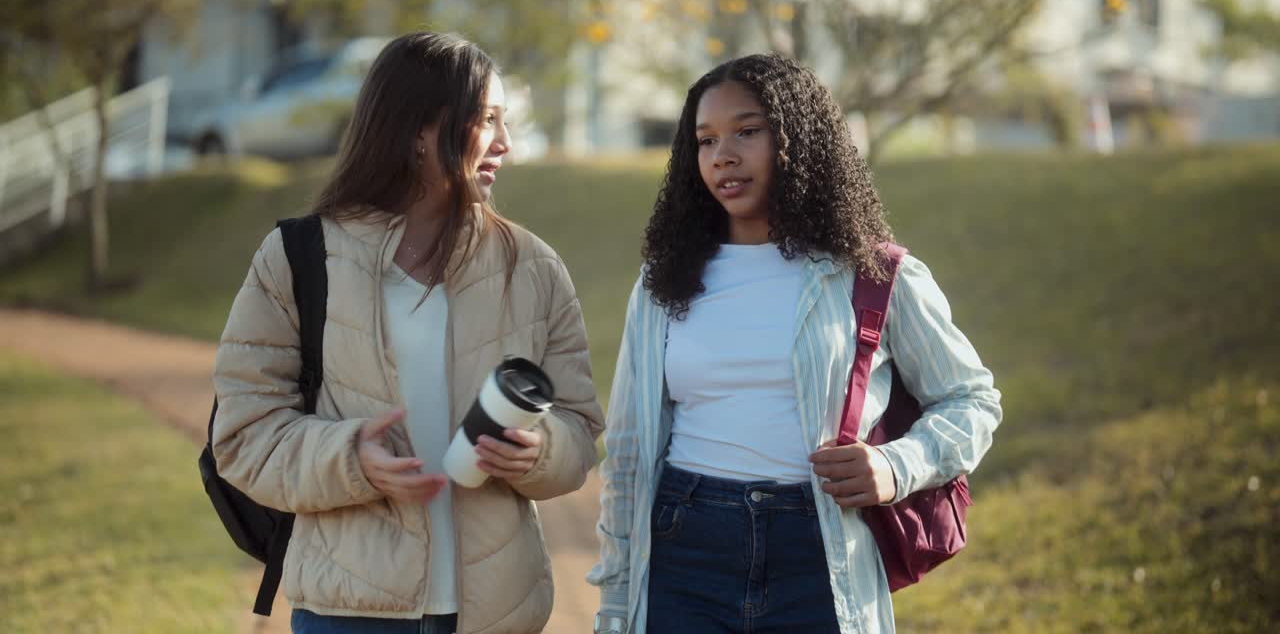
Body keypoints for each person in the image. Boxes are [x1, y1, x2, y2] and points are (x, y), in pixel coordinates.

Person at [588, 54, 1002, 634]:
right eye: (705, 141)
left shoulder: (877, 274)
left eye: (747, 131)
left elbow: (972, 400)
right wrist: (615, 602)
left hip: (821, 550)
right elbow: (629, 450)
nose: (723, 156)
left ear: (799, 137)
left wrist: (896, 465)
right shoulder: (664, 280)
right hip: (685, 547)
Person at [212, 32, 604, 634]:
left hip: (497, 614)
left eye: (506, 121)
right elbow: (243, 435)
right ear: (420, 130)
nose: (505, 142)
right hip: (349, 612)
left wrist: (538, 451)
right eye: (487, 120)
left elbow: (579, 433)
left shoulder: (535, 268)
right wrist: (351, 460)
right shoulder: (297, 257)